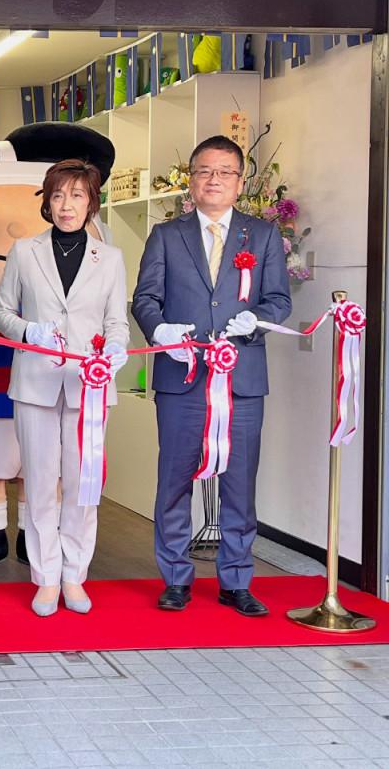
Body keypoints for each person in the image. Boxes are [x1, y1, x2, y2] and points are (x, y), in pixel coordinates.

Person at [133, 135, 291, 616]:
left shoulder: (262, 236)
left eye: (225, 172)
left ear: (240, 182)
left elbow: (279, 300)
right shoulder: (166, 235)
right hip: (181, 379)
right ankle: (176, 577)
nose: (214, 179)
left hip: (242, 380)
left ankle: (236, 579)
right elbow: (145, 298)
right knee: (174, 480)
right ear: (192, 179)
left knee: (240, 482)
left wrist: (255, 321)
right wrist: (160, 330)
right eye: (204, 171)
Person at [0, 159, 128, 616]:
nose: (67, 205)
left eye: (77, 195)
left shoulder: (110, 258)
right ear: (47, 203)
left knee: (82, 484)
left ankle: (75, 574)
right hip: (35, 382)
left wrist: (115, 349)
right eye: (58, 195)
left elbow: (116, 321)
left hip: (89, 385)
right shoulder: (24, 251)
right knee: (38, 482)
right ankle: (46, 576)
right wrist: (29, 331)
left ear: (91, 202)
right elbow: (1, 311)